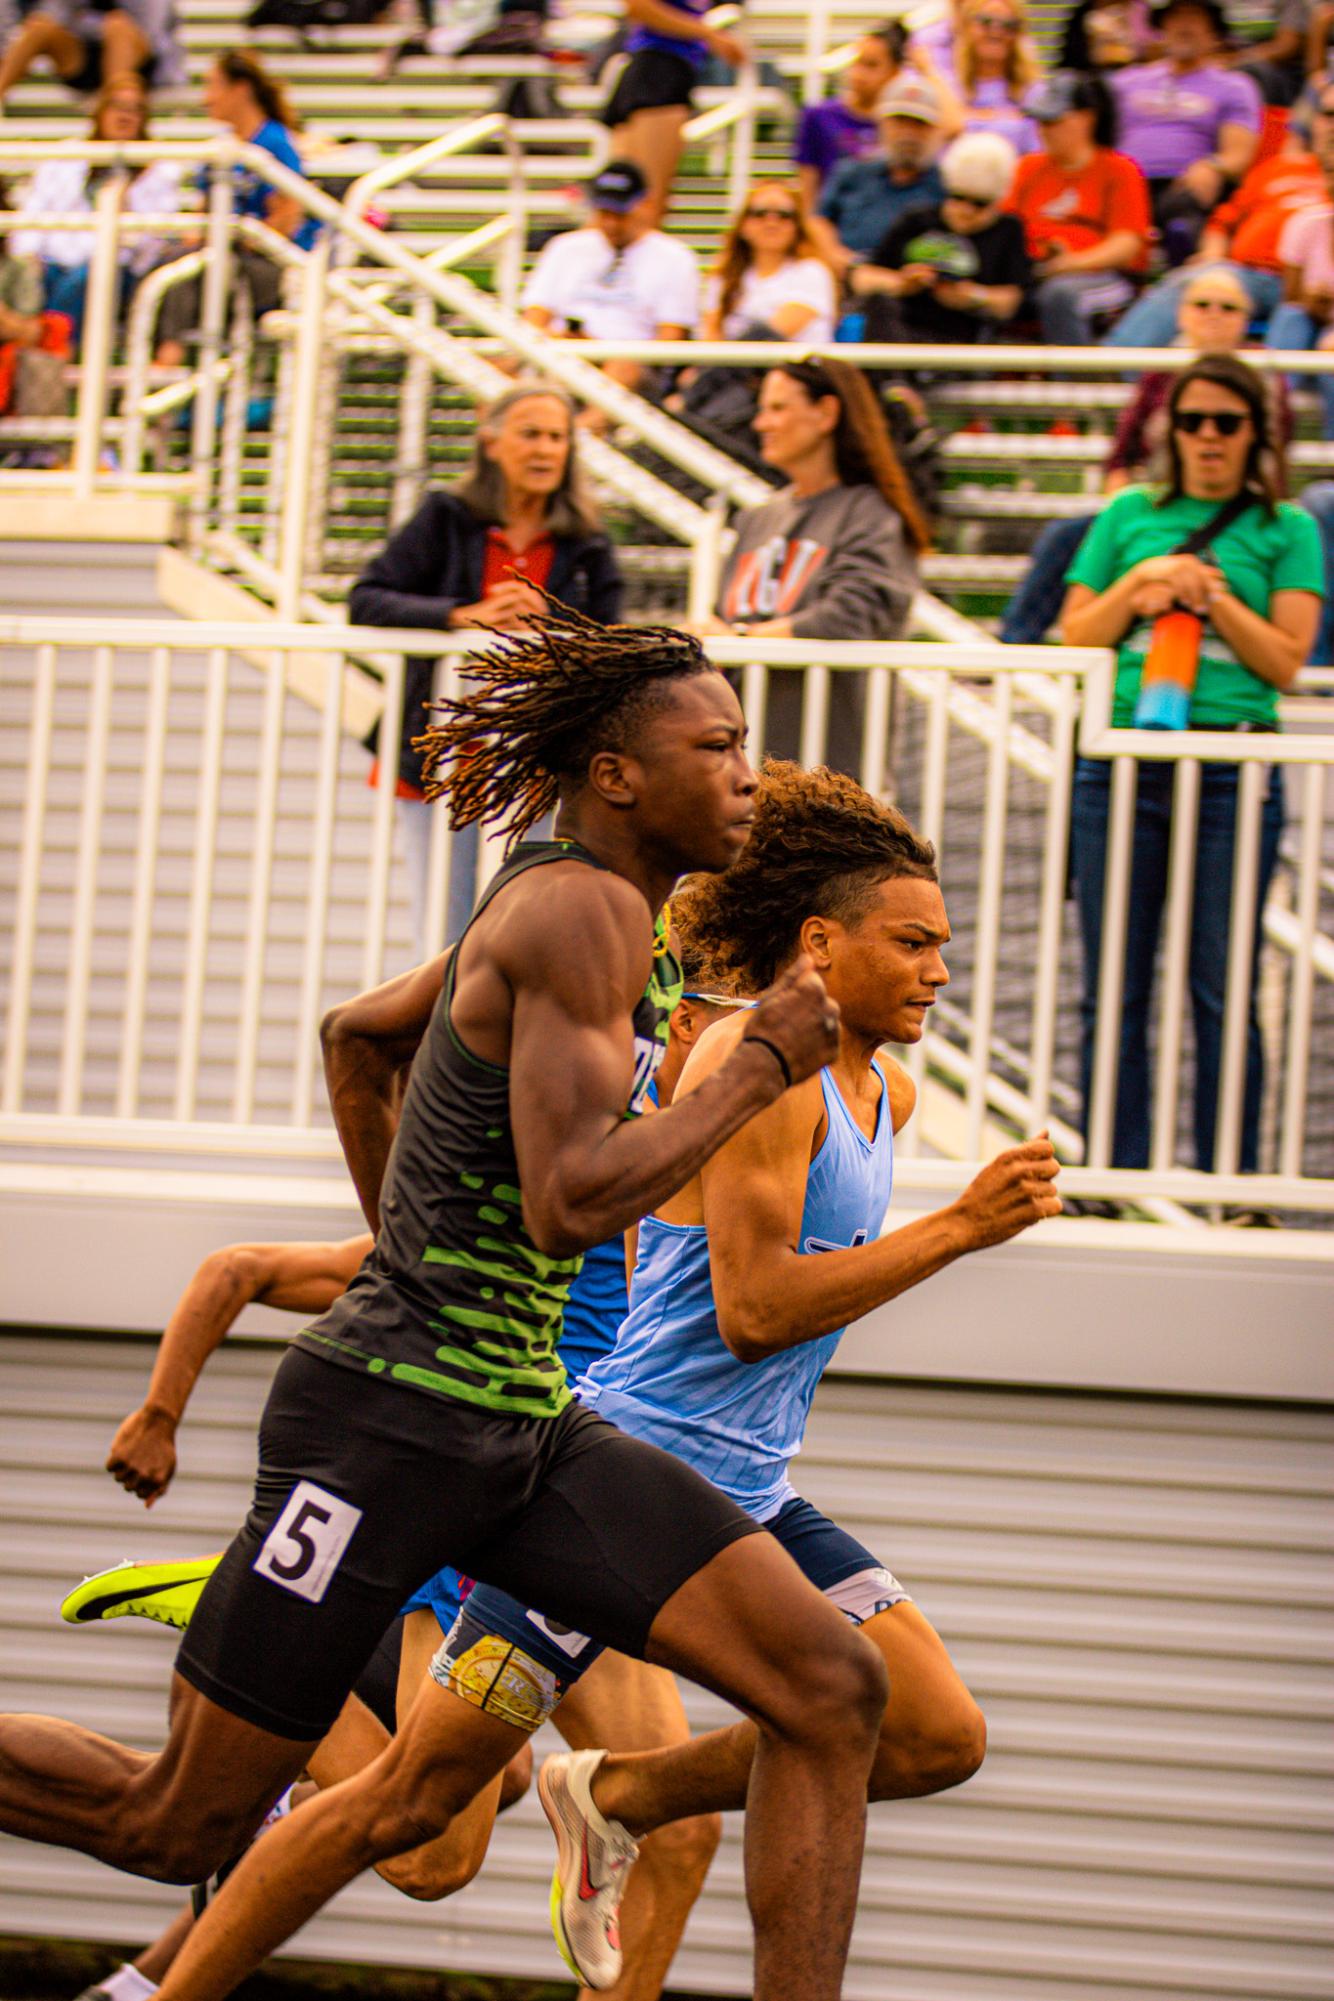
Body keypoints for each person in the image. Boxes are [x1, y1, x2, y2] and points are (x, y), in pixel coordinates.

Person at [0, 609, 895, 2001]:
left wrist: (409, 1243)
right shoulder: (577, 913)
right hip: (386, 1433)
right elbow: (570, 1202)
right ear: (615, 773)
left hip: (517, 1430)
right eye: (715, 746)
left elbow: (357, 1036)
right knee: (171, 1818)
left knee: (829, 1692)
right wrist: (754, 1066)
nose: (745, 773)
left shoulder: (598, 911)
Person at [440, 760, 1061, 1988]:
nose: (941, 971)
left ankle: (614, 1793)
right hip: (624, 1488)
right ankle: (225, 1834)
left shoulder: (883, 1084)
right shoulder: (751, 1059)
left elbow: (673, 1263)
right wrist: (959, 1229)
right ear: (822, 943)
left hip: (749, 1491)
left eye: (945, 945)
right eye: (916, 942)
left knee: (933, 1732)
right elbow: (752, 1310)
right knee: (418, 1827)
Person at [64, 923, 751, 2001]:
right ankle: (243, 1652)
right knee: (431, 1856)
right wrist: (157, 1414)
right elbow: (241, 1262)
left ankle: (173, 1947)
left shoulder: (666, 1191)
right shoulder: (514, 1204)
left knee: (672, 1828)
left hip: (572, 1516)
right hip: (475, 1530)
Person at [1060, 353, 1322, 1171]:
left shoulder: (1290, 527)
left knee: (1224, 990)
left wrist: (1215, 598)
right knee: (1114, 987)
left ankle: (1228, 1179)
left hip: (1231, 767)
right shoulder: (1129, 512)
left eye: (1228, 423)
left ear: (1258, 434)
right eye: (1193, 421)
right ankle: (1112, 1169)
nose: (1209, 438)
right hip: (1124, 760)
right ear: (1171, 430)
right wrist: (1139, 583)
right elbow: (1076, 633)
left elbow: (1285, 661)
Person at [347, 382, 622, 950]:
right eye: (530, 435)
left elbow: (610, 638)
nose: (545, 450)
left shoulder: (587, 540)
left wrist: (554, 620)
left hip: (541, 766)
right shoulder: (447, 516)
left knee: (528, 926)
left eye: (557, 437)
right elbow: (368, 596)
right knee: (446, 933)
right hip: (443, 760)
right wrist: (461, 616)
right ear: (491, 442)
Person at [1002, 264, 1283, 640]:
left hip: (1234, 513)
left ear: (1247, 319)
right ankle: (1012, 653)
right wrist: (1126, 512)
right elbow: (1122, 456)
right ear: (1181, 313)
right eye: (1202, 305)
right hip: (1153, 503)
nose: (1214, 316)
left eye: (1228, 308)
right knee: (1066, 537)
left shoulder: (1266, 377)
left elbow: (1271, 465)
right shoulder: (1160, 370)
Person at [697, 355, 931, 775]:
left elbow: (850, 616)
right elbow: (724, 618)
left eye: (778, 408)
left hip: (827, 779)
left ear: (826, 413)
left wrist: (742, 638)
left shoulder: (872, 514)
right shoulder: (756, 518)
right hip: (740, 771)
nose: (760, 423)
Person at [1104, 88, 1333, 348]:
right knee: (1200, 281)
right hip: (1241, 272)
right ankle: (1120, 365)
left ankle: (1114, 364)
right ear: (1313, 122)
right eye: (1328, 115)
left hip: (1301, 282)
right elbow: (1223, 222)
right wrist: (1213, 255)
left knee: (1203, 283)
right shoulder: (1280, 167)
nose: (1332, 125)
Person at [153, 52, 317, 369]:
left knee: (196, 272)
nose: (206, 99)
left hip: (271, 266)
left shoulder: (273, 142)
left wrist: (235, 239)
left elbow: (287, 219)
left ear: (240, 89)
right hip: (227, 259)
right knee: (171, 264)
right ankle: (164, 366)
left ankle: (166, 364)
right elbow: (201, 215)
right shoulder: (223, 147)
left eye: (213, 86)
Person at [10, 75, 181, 346]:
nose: (125, 116)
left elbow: (151, 246)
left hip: (119, 270)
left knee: (89, 278)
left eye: (135, 109)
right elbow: (34, 211)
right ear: (101, 111)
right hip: (52, 263)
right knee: (22, 277)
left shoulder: (159, 172)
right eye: (118, 106)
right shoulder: (66, 156)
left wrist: (127, 209)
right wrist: (29, 256)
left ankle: (50, 347)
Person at [520, 158, 699, 416]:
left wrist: (601, 349)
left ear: (645, 205)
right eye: (604, 212)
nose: (611, 223)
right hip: (565, 358)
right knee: (509, 363)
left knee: (622, 368)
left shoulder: (676, 258)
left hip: (632, 369)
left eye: (621, 213)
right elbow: (532, 321)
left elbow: (669, 343)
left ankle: (579, 437)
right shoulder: (566, 248)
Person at [1107, 0, 1262, 264]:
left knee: (1186, 207)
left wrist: (1213, 165)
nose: (1183, 25)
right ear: (1162, 27)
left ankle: (1183, 260)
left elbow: (1239, 154)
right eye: (1176, 17)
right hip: (1123, 183)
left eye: (1194, 17)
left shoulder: (1234, 86)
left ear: (1214, 33)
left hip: (1184, 184)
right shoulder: (1125, 82)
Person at [1006, 71, 1152, 343]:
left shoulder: (1119, 170)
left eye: (1054, 121)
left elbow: (1126, 243)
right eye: (1041, 122)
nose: (1045, 130)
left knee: (1061, 296)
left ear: (1087, 117)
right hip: (1035, 270)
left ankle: (1077, 382)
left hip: (1104, 276)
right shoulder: (1028, 167)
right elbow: (1006, 225)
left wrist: (1071, 263)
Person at [852, 130, 1031, 345]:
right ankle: (893, 378)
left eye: (979, 204)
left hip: (963, 337)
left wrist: (972, 297)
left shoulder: (1007, 230)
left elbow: (1011, 301)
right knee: (880, 303)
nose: (965, 210)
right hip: (903, 328)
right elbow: (862, 278)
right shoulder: (917, 220)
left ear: (996, 203)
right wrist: (902, 284)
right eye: (958, 197)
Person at [601, 0, 748, 223]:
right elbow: (638, 7)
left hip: (661, 71)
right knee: (642, 204)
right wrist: (709, 34)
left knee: (625, 203)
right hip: (657, 71)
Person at [813, 72, 949, 273]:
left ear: (935, 131)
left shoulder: (945, 186)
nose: (909, 133)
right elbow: (819, 219)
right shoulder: (852, 171)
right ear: (882, 123)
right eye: (900, 121)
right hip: (849, 277)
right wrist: (834, 255)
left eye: (919, 124)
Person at [699, 180, 838, 344]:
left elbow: (772, 334)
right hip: (730, 364)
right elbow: (711, 336)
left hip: (794, 366)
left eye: (784, 215)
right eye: (759, 213)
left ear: (797, 226)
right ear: (743, 224)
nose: (771, 222)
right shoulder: (724, 276)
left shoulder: (812, 272)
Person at [792, 20, 907, 207]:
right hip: (829, 222)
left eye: (871, 65)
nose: (858, 74)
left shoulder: (901, 123)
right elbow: (808, 197)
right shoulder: (818, 116)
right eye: (856, 62)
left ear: (895, 73)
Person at [0, 0, 185, 110]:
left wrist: (94, 23)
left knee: (118, 28)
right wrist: (98, 26)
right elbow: (57, 16)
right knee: (40, 27)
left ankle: (112, 110)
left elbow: (150, 35)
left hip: (141, 63)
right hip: (85, 56)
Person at [1263, 154, 1334, 434]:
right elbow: (1290, 298)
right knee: (1290, 317)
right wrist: (1312, 303)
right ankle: (1270, 420)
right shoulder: (1303, 224)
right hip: (1307, 325)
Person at [928, 0, 1044, 156]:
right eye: (985, 22)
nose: (996, 31)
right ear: (966, 27)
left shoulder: (1033, 92)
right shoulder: (949, 87)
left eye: (1009, 25)